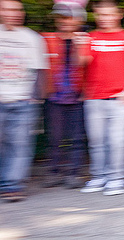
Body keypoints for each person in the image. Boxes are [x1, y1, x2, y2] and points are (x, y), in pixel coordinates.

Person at [75, 0, 124, 196]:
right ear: (96, 16)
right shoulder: (90, 37)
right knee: (96, 141)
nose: (104, 19)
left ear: (118, 15)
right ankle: (99, 177)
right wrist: (79, 46)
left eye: (108, 14)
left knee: (118, 141)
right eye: (100, 15)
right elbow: (81, 62)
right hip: (94, 98)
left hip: (120, 99)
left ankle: (117, 178)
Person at [0, 0, 49, 202]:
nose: (14, 13)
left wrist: (37, 98)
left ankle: (12, 185)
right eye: (8, 9)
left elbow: (40, 70)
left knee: (20, 145)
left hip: (23, 101)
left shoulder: (32, 38)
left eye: (17, 10)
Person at [41, 1, 88, 189]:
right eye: (61, 18)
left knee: (77, 138)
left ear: (77, 20)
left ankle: (74, 173)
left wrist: (78, 43)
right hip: (54, 96)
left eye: (69, 18)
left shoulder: (85, 40)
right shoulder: (47, 39)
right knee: (54, 138)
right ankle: (54, 172)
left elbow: (89, 66)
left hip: (77, 96)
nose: (65, 22)